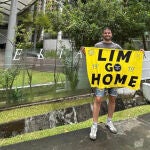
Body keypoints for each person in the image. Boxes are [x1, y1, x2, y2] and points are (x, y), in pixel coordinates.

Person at [81, 27, 122, 140]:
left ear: (111, 34)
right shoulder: (97, 45)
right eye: (105, 32)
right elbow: (91, 58)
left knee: (113, 99)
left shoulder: (117, 47)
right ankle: (94, 125)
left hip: (113, 78)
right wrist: (85, 52)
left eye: (109, 32)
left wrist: (139, 54)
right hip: (100, 78)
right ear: (102, 34)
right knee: (98, 99)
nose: (107, 34)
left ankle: (109, 121)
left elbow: (126, 59)